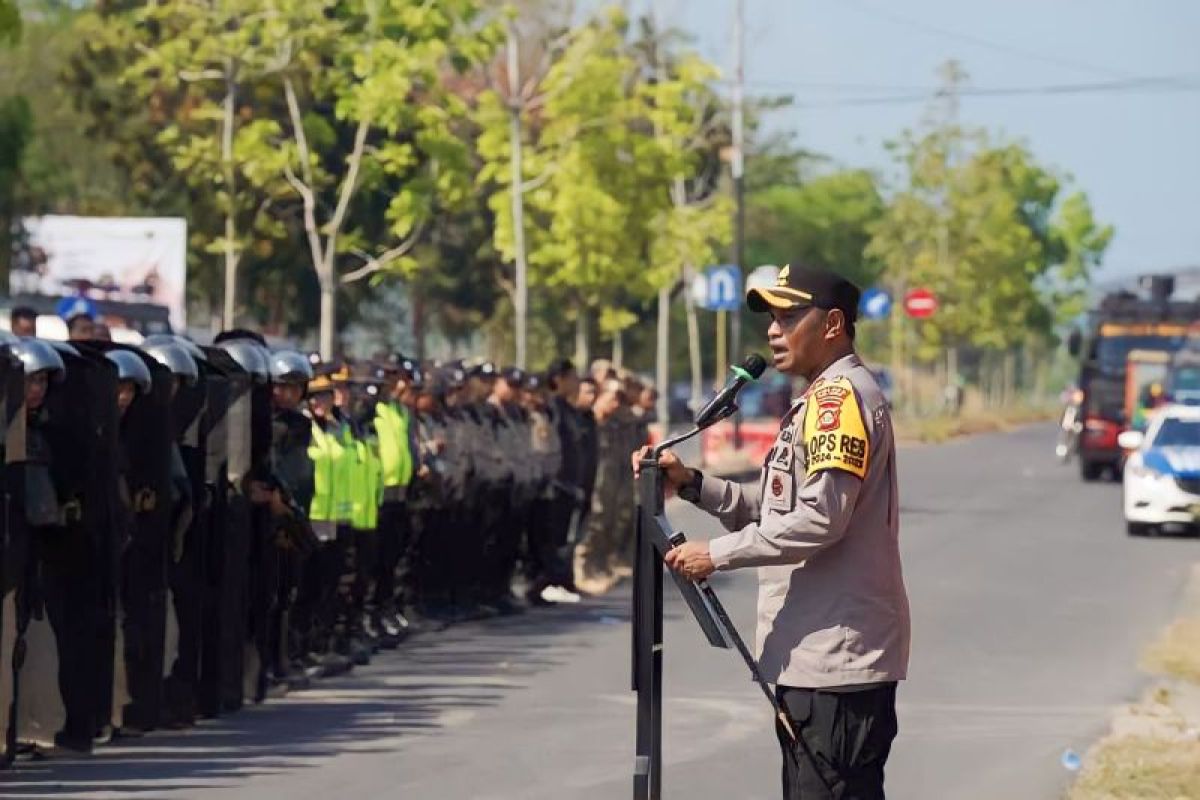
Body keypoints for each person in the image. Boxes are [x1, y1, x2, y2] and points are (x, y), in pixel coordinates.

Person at [641, 263, 910, 800]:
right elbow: (779, 510)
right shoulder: (815, 401)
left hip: (838, 660)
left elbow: (820, 519)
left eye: (788, 316)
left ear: (833, 324)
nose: (772, 330)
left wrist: (715, 555)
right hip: (812, 660)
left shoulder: (838, 404)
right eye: (770, 317)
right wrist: (693, 483)